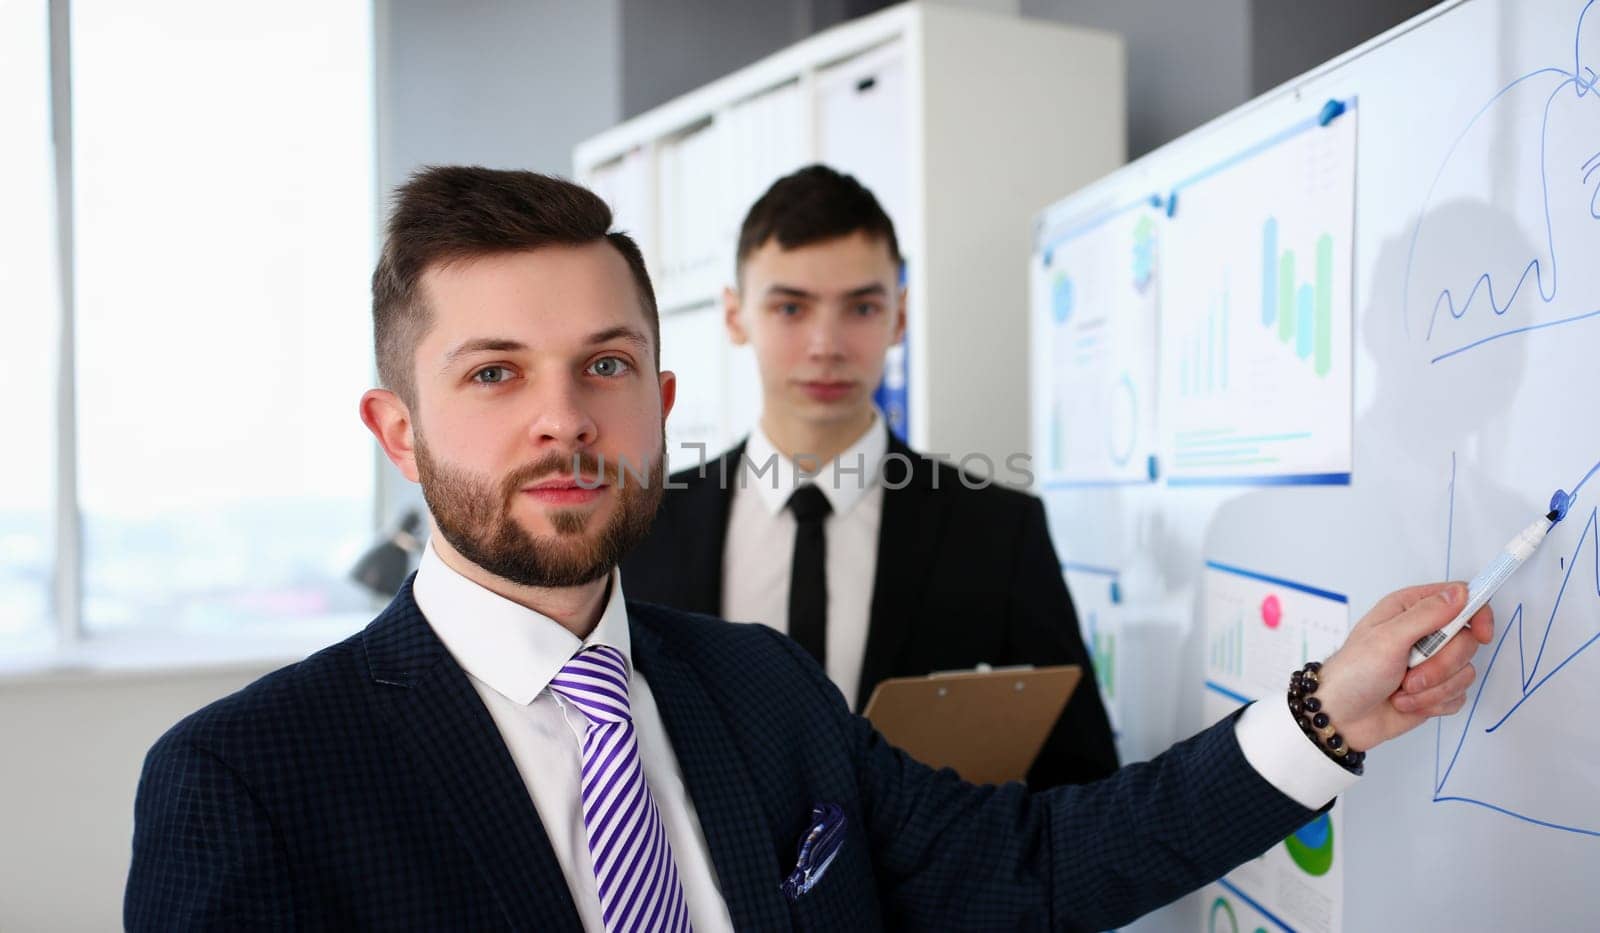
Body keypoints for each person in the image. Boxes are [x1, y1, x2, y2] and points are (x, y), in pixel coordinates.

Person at [124, 167, 1492, 932]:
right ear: (396, 428)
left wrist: (1324, 713)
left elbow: (1038, 856)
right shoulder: (246, 783)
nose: (562, 418)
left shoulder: (759, 692)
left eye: (603, 364)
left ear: (659, 401)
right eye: (493, 374)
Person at [622, 165, 1118, 788]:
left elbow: (1078, 777)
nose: (826, 344)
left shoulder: (998, 529)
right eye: (791, 307)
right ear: (735, 316)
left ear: (899, 317)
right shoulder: (644, 520)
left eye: (861, 306)